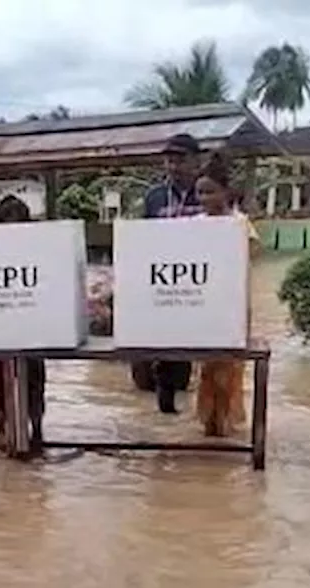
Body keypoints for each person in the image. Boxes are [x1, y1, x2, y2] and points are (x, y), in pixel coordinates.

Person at [192, 152, 261, 437]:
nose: (204, 199)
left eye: (210, 192)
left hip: (232, 305)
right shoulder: (194, 224)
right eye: (199, 193)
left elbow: (252, 254)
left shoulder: (240, 224)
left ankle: (226, 424)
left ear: (226, 192)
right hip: (203, 305)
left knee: (230, 368)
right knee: (206, 370)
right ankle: (210, 425)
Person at [133, 133, 203, 413]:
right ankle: (167, 416)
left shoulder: (209, 192)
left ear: (196, 161)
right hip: (163, 283)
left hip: (200, 284)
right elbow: (144, 241)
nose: (174, 167)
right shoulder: (154, 197)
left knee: (196, 358)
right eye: (169, 161)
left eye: (180, 160)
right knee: (165, 354)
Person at [0, 195, 47, 452]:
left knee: (31, 381)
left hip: (22, 327)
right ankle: (6, 432)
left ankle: (32, 431)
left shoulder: (36, 251)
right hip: (0, 328)